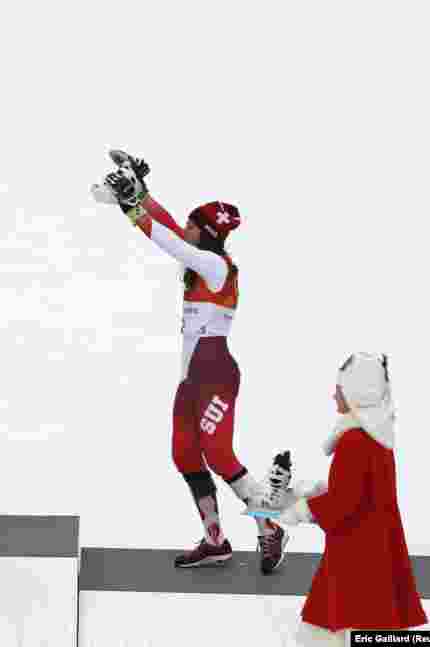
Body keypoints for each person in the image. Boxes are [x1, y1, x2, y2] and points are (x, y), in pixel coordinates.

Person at [92, 153, 292, 574]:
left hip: (216, 374)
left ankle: (269, 526)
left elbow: (171, 241)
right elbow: (173, 232)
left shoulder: (216, 266)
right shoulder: (200, 256)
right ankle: (216, 541)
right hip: (192, 379)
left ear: (206, 235)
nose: (185, 229)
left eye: (192, 226)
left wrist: (131, 208)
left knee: (218, 454)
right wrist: (142, 194)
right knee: (184, 454)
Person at [276, 353, 427, 645]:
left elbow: (344, 505)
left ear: (356, 392)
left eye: (339, 388)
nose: (334, 395)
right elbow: (361, 494)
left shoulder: (353, 442)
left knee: (336, 625)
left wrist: (299, 510)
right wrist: (319, 492)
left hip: (356, 555)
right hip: (375, 547)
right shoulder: (378, 439)